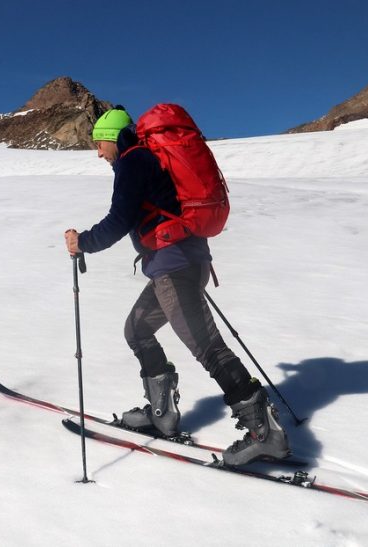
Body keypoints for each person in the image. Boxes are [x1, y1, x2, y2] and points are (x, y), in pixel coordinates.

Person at [63, 106, 290, 466]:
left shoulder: (132, 161)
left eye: (99, 143)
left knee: (209, 349)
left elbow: (119, 220)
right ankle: (162, 413)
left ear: (111, 139)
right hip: (176, 264)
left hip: (175, 267)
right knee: (137, 330)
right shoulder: (146, 159)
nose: (98, 152)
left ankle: (265, 434)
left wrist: (83, 242)